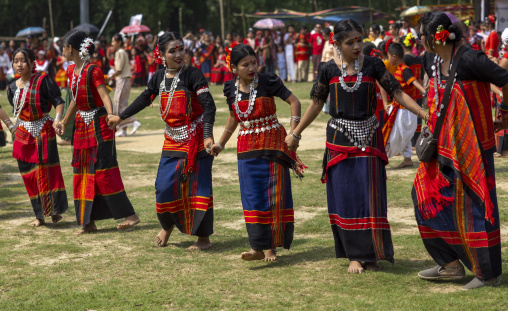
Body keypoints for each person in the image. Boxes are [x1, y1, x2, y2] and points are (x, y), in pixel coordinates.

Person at [286, 19, 425, 273]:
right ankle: (353, 255)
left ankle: (372, 253)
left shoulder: (372, 65)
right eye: (350, 42)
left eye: (359, 39)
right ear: (336, 44)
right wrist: (296, 133)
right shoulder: (328, 69)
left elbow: (396, 92)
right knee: (346, 196)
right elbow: (316, 105)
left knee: (371, 196)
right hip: (339, 139)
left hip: (370, 137)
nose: (357, 45)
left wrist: (423, 113)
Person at [413, 12, 508, 290]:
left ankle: (488, 274)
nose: (419, 41)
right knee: (424, 197)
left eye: (421, 36)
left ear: (434, 37)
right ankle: (451, 265)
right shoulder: (432, 59)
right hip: (441, 146)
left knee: (476, 208)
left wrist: (504, 113)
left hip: (473, 149)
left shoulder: (468, 58)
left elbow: (505, 80)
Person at [109, 32, 216, 250]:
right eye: (172, 51)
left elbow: (209, 106)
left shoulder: (193, 75)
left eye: (181, 49)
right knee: (163, 187)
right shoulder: (158, 77)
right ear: (161, 54)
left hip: (195, 139)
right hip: (172, 140)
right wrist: (121, 116)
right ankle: (167, 226)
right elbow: (144, 99)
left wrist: (207, 135)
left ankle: (203, 238)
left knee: (197, 188)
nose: (178, 54)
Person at [211, 43, 305, 261]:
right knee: (251, 197)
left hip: (272, 144)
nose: (252, 67)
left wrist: (294, 133)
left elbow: (294, 101)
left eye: (254, 62)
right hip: (246, 148)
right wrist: (221, 144)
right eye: (246, 65)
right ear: (234, 68)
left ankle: (271, 247)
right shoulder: (229, 88)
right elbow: (234, 117)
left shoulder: (268, 81)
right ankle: (257, 247)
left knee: (272, 195)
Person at [55, 30, 140, 234]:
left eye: (64, 47)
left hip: (99, 124)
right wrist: (65, 122)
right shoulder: (70, 71)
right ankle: (88, 221)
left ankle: (130, 215)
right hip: (82, 127)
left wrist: (112, 115)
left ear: (71, 48)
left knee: (104, 170)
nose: (62, 51)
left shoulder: (93, 70)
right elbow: (75, 99)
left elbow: (104, 95)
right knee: (82, 173)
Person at [7, 48, 68, 226]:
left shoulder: (43, 81)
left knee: (47, 172)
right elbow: (15, 109)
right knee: (28, 174)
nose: (19, 64)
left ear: (32, 62)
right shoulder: (12, 86)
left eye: (23, 60)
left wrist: (58, 120)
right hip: (22, 134)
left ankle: (54, 211)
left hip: (43, 130)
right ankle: (39, 215)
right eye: (16, 60)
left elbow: (58, 101)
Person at [382, 42, 426, 168]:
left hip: (405, 110)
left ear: (394, 56)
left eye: (388, 56)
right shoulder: (398, 68)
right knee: (402, 135)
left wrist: (424, 91)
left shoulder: (404, 69)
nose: (387, 59)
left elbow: (413, 81)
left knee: (396, 135)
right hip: (400, 108)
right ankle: (407, 159)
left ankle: (382, 157)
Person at [108, 34, 141, 137]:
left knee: (118, 105)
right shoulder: (122, 52)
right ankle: (123, 130)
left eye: (113, 41)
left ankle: (133, 121)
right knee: (121, 104)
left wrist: (109, 77)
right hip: (124, 79)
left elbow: (119, 70)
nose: (112, 44)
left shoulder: (120, 53)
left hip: (122, 80)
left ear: (119, 42)